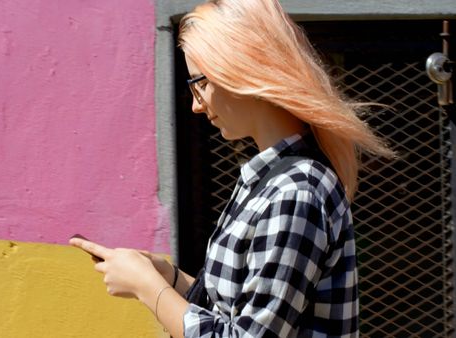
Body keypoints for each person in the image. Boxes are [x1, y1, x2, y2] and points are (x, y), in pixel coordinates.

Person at [70, 0, 394, 336]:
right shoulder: (271, 180)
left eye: (200, 83)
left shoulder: (295, 191)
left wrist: (148, 288)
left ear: (243, 67)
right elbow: (239, 310)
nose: (196, 104)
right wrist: (169, 277)